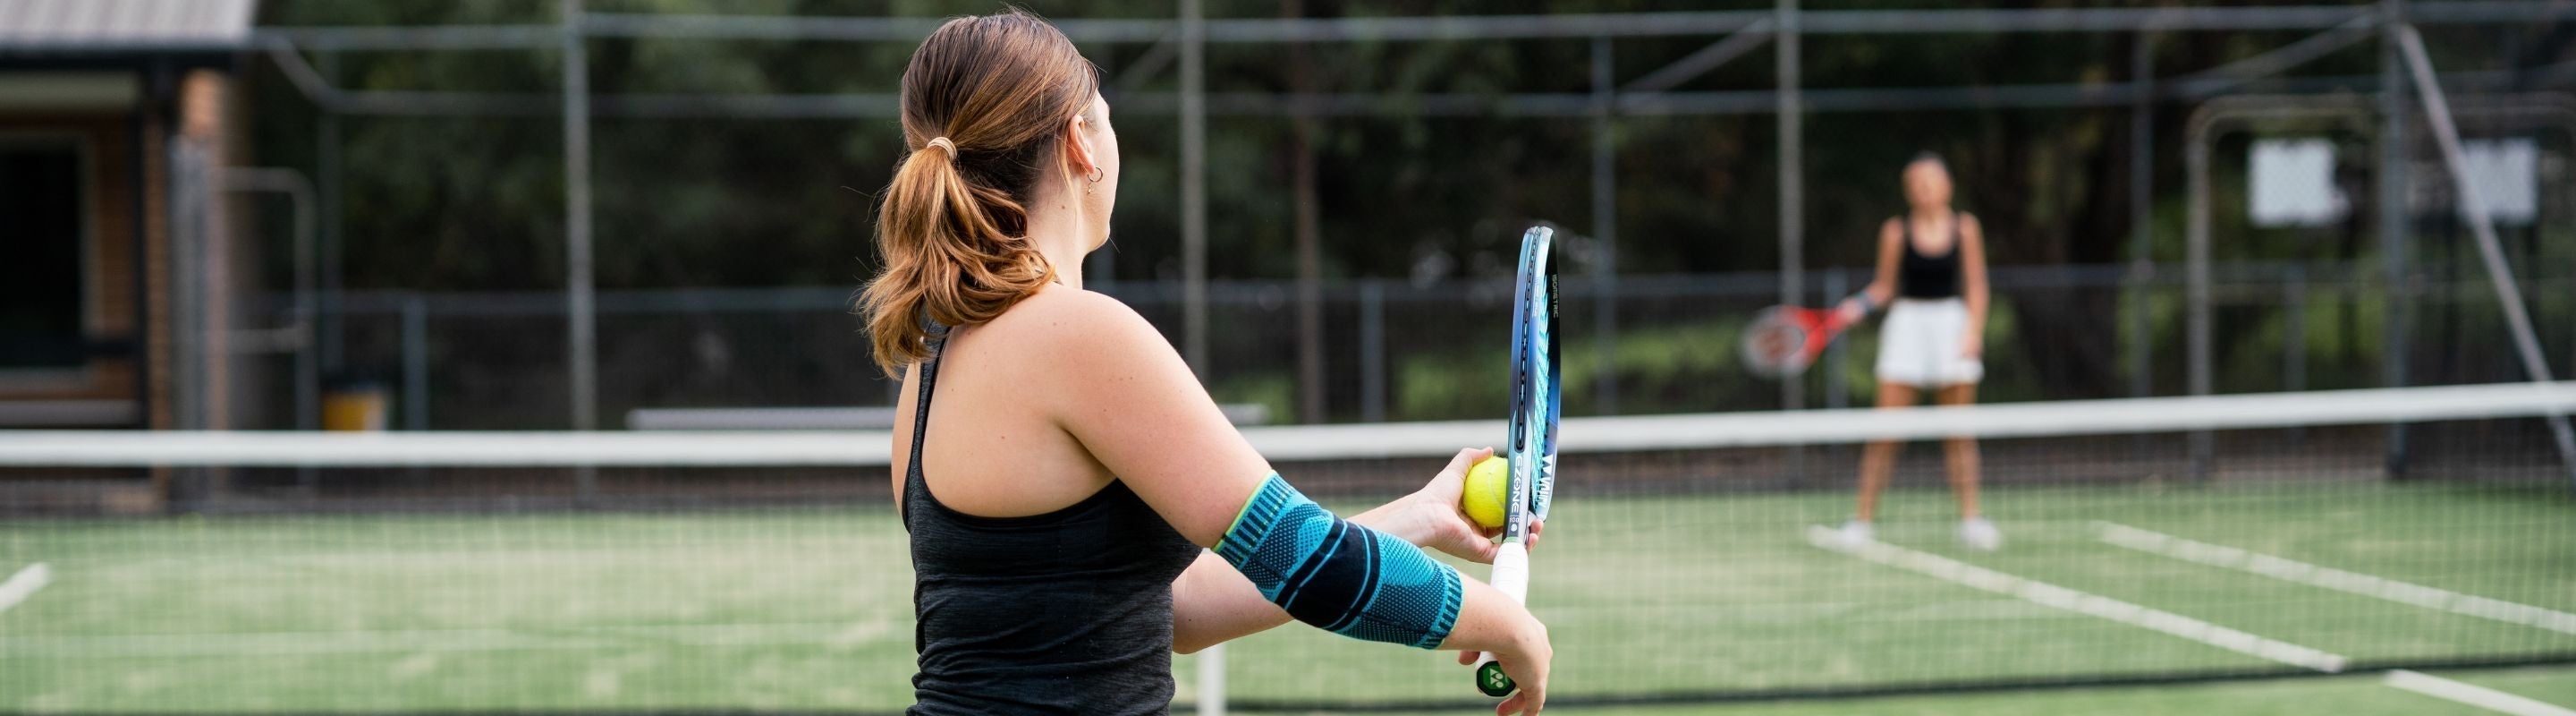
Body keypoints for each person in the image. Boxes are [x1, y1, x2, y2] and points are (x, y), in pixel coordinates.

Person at [860, 12, 1552, 716]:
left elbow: (1177, 609)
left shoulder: (935, 351)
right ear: (1080, 143)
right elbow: (1304, 559)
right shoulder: (1077, 334)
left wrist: (1417, 517)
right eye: (1106, 118)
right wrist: (1511, 628)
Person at [1834, 153, 1998, 551]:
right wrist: (1858, 306)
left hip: (1952, 326)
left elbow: (1977, 285)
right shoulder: (1896, 231)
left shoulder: (1965, 228)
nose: (1925, 189)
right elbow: (1884, 286)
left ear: (1947, 186)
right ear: (1908, 191)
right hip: (1907, 327)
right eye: (1917, 183)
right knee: (1886, 432)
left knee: (1958, 432)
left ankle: (1971, 520)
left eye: (1932, 181)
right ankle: (1861, 521)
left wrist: (1973, 331)